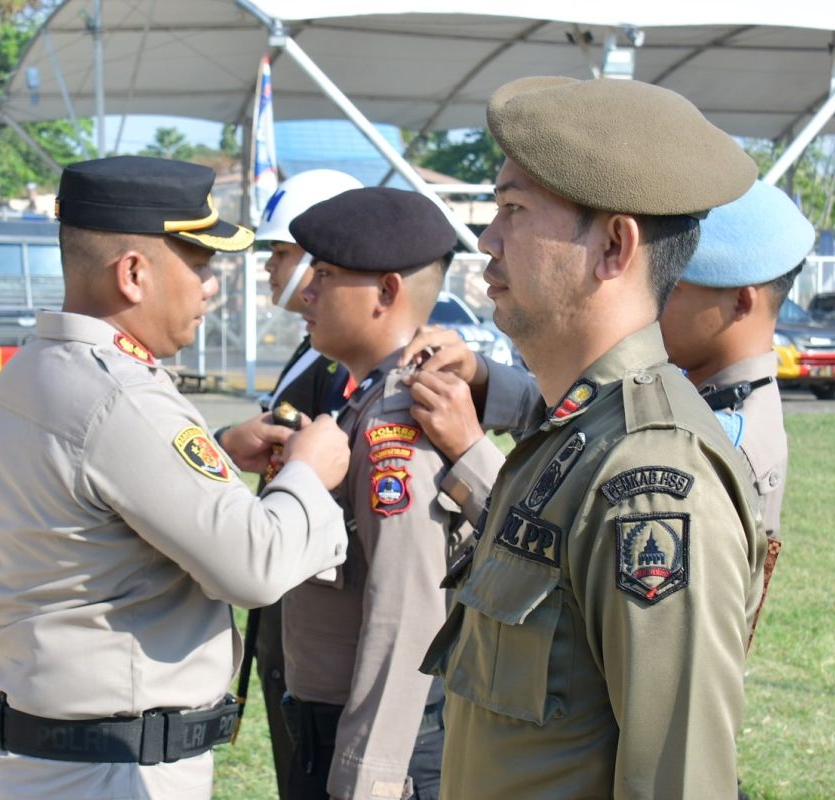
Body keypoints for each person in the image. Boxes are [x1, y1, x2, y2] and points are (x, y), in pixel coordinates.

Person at [416, 76, 768, 798]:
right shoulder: (574, 437)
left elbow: (680, 781)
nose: (487, 239)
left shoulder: (650, 474)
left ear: (613, 245)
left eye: (513, 209)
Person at [0, 155, 351, 800]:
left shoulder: (35, 369)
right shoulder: (118, 396)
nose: (211, 286)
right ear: (133, 274)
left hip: (52, 751)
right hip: (112, 765)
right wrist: (309, 474)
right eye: (200, 264)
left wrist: (221, 451)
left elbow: (92, 498)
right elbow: (252, 567)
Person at [278, 186, 532, 800]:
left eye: (327, 273)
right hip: (339, 723)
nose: (305, 291)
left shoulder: (398, 415)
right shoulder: (364, 399)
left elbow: (405, 612)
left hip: (379, 737)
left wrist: (370, 777)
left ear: (388, 292)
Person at [237, 167, 362, 797]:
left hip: (320, 601)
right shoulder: (313, 350)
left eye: (281, 253)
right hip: (290, 595)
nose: (270, 270)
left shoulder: (340, 364)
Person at [661, 179, 814, 543]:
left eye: (672, 290)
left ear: (742, 303)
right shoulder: (716, 397)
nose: (655, 305)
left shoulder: (721, 442)